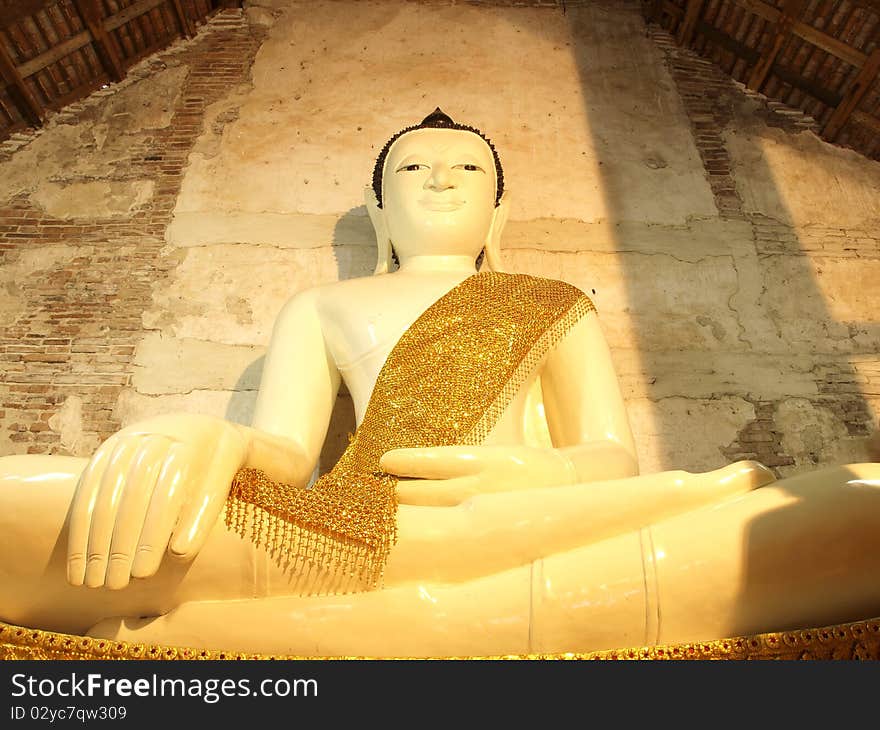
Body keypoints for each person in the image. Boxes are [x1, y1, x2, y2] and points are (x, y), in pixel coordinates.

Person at [1, 110, 879, 659]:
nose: (442, 179)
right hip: (342, 529)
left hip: (542, 521)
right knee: (20, 497)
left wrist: (533, 476)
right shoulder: (325, 304)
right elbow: (285, 456)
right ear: (380, 209)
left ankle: (305, 638)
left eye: (466, 170)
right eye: (414, 170)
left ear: (500, 213)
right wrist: (209, 438)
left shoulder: (553, 304)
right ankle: (447, 624)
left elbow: (611, 457)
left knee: (865, 499)